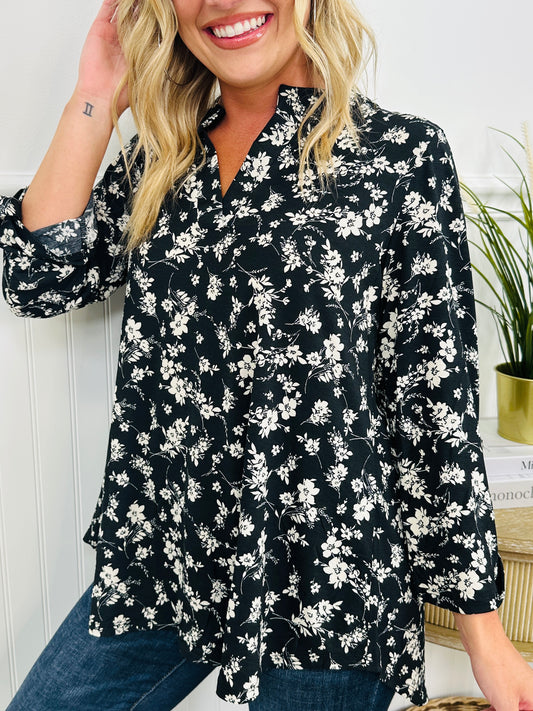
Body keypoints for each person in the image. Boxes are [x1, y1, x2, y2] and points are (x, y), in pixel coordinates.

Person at [1, 0, 533, 709]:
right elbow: (40, 279)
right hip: (166, 556)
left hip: (328, 582)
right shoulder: (164, 157)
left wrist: (484, 634)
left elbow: (434, 408)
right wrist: (94, 96)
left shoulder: (400, 157)